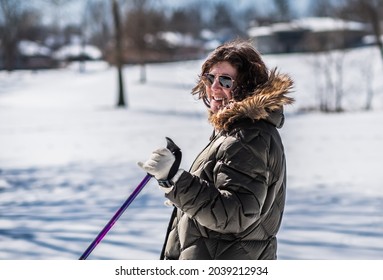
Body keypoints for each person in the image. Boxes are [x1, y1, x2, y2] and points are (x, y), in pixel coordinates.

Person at [138, 39, 294, 260]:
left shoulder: (248, 137)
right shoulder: (235, 132)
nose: (214, 87)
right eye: (210, 78)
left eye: (226, 81)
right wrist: (181, 196)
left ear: (247, 86)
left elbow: (236, 213)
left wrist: (177, 181)